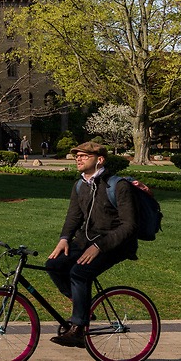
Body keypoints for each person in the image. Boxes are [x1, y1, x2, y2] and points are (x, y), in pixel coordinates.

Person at [45, 141, 138, 348]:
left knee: (79, 272)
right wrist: (64, 239)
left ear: (100, 160)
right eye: (76, 156)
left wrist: (99, 247)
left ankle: (78, 329)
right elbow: (73, 217)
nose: (78, 158)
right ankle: (83, 308)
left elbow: (129, 226)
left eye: (84, 156)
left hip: (115, 244)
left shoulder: (118, 186)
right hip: (86, 240)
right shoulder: (80, 185)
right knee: (53, 265)